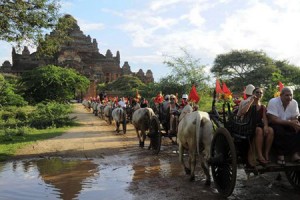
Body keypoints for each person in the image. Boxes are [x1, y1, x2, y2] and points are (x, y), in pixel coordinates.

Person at [238, 87, 274, 165]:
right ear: (253, 94)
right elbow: (242, 113)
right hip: (247, 125)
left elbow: (264, 118)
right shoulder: (248, 103)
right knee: (259, 130)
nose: (259, 94)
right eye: (257, 92)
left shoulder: (263, 107)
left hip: (258, 124)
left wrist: (266, 126)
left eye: (260, 93)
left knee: (270, 130)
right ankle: (259, 156)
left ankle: (266, 154)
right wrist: (251, 101)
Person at [267, 87, 300, 165]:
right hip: (275, 123)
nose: (289, 97)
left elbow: (295, 117)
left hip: (288, 123)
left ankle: (295, 153)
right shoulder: (273, 101)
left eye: (291, 95)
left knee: (297, 130)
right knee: (279, 130)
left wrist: (296, 123)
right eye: (287, 95)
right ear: (281, 95)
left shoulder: (294, 103)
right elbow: (273, 119)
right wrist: (290, 123)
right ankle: (280, 155)